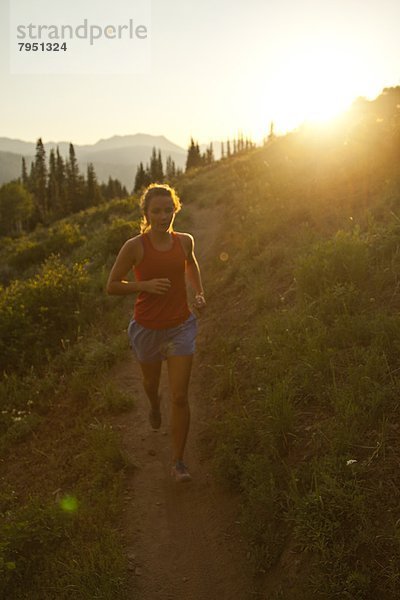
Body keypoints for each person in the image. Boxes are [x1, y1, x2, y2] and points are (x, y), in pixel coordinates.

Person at [106, 183, 206, 482]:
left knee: (179, 396)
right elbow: (112, 285)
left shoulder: (185, 241)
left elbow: (191, 264)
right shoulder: (135, 246)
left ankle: (178, 462)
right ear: (146, 214)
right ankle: (152, 404)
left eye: (168, 210)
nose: (164, 216)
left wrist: (199, 293)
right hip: (147, 329)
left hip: (180, 326)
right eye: (157, 211)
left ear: (176, 208)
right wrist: (144, 286)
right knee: (151, 384)